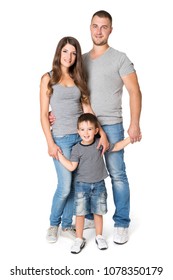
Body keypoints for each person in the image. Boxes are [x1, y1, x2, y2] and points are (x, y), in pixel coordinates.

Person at [49, 10, 142, 244]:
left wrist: (134, 124)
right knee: (84, 175)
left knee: (117, 175)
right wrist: (55, 112)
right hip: (85, 129)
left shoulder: (120, 58)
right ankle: (89, 216)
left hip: (111, 126)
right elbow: (71, 92)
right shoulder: (82, 61)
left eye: (104, 27)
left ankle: (121, 223)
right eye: (95, 26)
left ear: (111, 29)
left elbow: (135, 91)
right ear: (90, 28)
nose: (99, 31)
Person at [40, 36, 108, 243]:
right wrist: (50, 143)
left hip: (80, 139)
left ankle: (67, 225)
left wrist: (101, 133)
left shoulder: (79, 79)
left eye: (73, 53)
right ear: (59, 53)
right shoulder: (48, 78)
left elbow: (87, 109)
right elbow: (44, 114)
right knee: (65, 186)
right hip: (60, 138)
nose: (69, 56)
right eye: (65, 51)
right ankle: (54, 224)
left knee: (76, 184)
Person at [57, 113, 131, 253]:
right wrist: (58, 154)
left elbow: (115, 147)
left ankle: (99, 236)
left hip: (98, 185)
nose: (86, 133)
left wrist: (129, 139)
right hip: (81, 186)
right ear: (78, 131)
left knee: (98, 212)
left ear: (96, 130)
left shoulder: (99, 143)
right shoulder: (77, 149)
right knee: (80, 214)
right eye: (83, 129)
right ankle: (79, 239)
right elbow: (72, 166)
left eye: (90, 129)